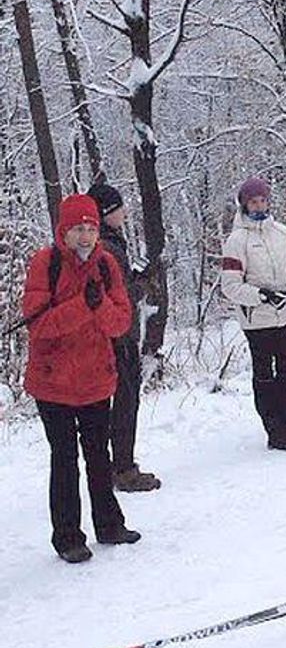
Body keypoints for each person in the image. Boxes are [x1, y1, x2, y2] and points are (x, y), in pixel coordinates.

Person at [22, 194, 140, 562]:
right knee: (64, 457)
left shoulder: (106, 265)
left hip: (94, 379)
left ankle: (109, 525)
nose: (86, 235)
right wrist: (81, 306)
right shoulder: (46, 263)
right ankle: (68, 536)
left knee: (98, 456)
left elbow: (121, 322)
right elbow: (38, 324)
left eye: (91, 228)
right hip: (52, 382)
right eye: (78, 229)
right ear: (64, 231)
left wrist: (99, 303)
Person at [220, 176, 286, 451]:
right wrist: (259, 296)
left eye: (262, 200)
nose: (259, 205)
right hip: (256, 319)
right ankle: (274, 429)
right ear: (245, 206)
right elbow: (231, 285)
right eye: (253, 202)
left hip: (283, 313)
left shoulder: (282, 233)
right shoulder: (237, 240)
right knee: (265, 374)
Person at [87, 182, 160, 492]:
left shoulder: (108, 244)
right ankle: (123, 468)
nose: (124, 213)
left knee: (118, 402)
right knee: (125, 401)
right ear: (106, 213)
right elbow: (119, 295)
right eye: (118, 209)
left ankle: (116, 466)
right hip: (119, 335)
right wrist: (139, 280)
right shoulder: (108, 248)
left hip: (117, 332)